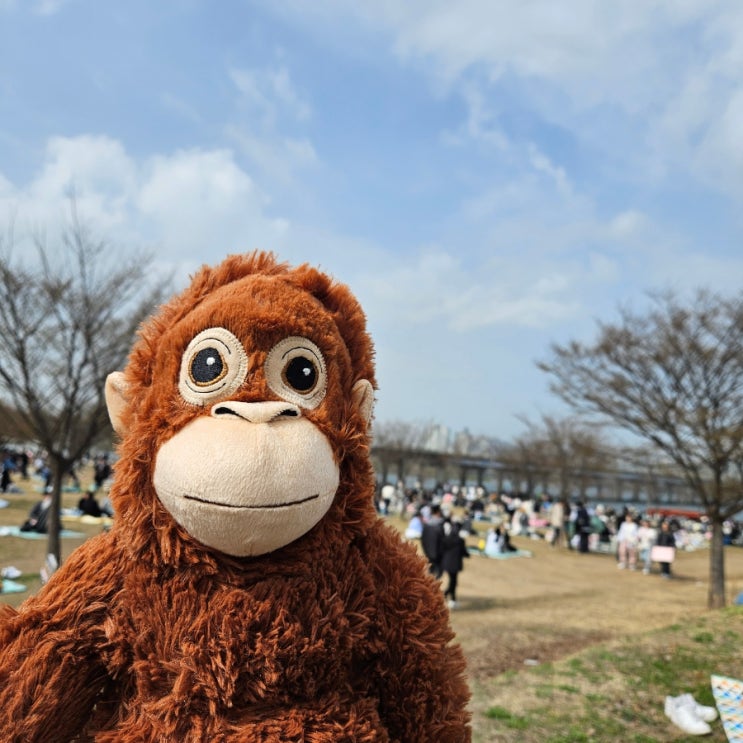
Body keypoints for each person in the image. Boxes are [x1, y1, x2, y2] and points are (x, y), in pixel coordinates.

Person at [441, 519, 469, 609]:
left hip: (447, 563)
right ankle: (450, 598)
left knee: (452, 581)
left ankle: (448, 597)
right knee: (453, 582)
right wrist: (467, 554)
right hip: (455, 564)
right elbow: (464, 552)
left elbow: (442, 550)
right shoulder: (460, 540)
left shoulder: (446, 539)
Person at [421, 504, 444, 578]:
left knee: (429, 571)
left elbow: (423, 539)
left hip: (427, 552)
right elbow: (442, 541)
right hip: (437, 554)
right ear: (438, 512)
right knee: (436, 574)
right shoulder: (440, 524)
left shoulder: (427, 524)